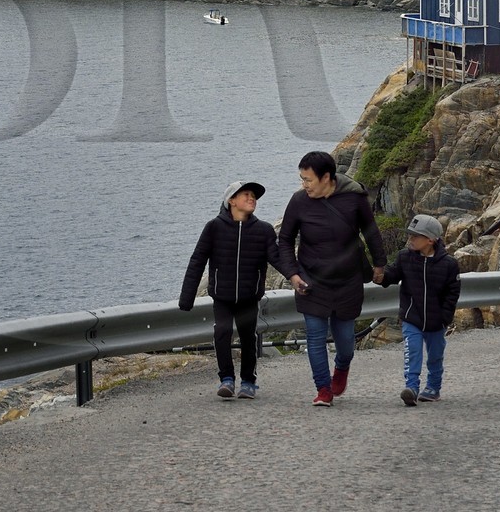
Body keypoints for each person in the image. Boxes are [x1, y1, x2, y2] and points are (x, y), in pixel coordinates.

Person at [275, 151, 387, 406]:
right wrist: (292, 274)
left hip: (347, 281)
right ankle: (323, 389)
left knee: (345, 342)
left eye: (308, 180)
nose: (304, 185)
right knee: (315, 337)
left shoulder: (354, 198)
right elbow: (285, 240)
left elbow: (371, 231)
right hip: (312, 281)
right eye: (302, 179)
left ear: (326, 177)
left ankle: (342, 367)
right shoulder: (299, 201)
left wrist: (380, 264)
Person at [179, 180, 280, 399]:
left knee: (247, 338)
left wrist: (299, 277)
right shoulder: (214, 227)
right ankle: (226, 379)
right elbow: (197, 261)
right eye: (245, 194)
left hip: (249, 296)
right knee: (222, 332)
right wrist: (187, 298)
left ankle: (248, 382)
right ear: (231, 201)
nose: (251, 198)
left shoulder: (263, 230)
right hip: (222, 296)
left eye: (254, 195)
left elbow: (278, 259)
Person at [381, 213, 462, 406]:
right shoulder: (404, 258)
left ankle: (433, 388)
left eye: (415, 236)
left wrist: (444, 318)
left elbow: (452, 293)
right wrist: (378, 276)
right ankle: (412, 388)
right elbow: (390, 276)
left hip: (437, 321)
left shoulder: (449, 264)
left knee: (435, 356)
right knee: (413, 351)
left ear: (430, 240)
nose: (410, 239)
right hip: (412, 317)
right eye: (410, 235)